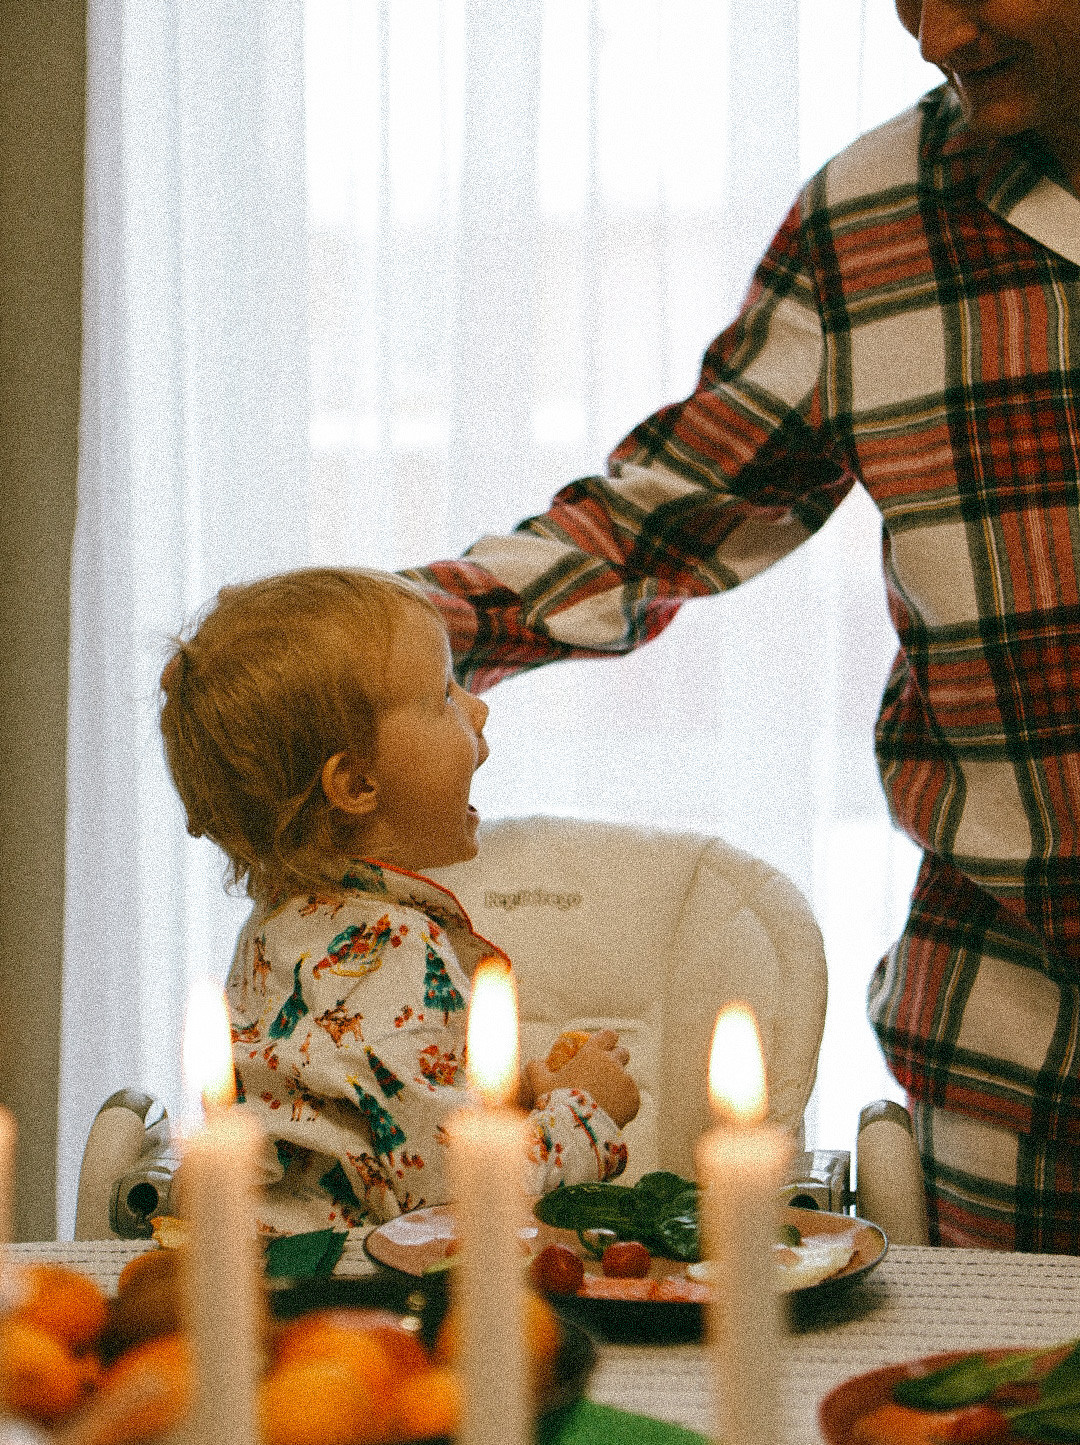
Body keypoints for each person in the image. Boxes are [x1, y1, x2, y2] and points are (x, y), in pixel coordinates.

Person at [409, 1, 1080, 1253]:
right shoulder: (873, 212)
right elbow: (668, 517)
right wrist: (372, 633)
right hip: (1016, 1057)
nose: (934, 32)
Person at [158, 567, 638, 1234]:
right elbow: (442, 1197)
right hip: (339, 1300)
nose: (478, 707)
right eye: (444, 695)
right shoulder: (386, 946)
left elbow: (360, 1118)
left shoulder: (284, 924)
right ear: (356, 783)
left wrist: (512, 1096)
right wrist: (584, 1111)